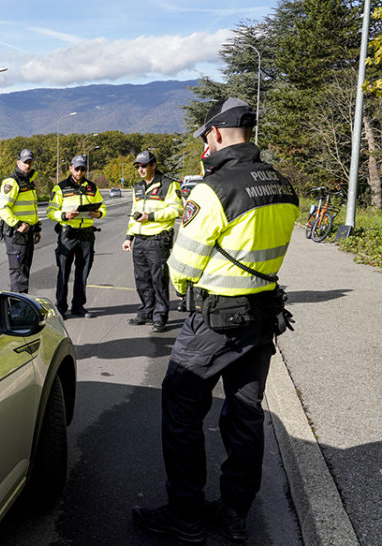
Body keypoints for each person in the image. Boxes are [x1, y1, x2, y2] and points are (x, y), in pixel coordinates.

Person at [132, 98, 298, 543]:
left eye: (206, 137)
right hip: (263, 317)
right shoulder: (282, 184)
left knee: (182, 411)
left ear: (218, 134)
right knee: (244, 417)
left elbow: (182, 267)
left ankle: (185, 515)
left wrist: (189, 289)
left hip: (214, 321)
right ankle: (234, 514)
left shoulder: (213, 188)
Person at [122, 150, 183, 332]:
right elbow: (134, 214)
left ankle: (160, 316)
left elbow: (177, 210)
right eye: (138, 166)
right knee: (142, 279)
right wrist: (129, 237)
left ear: (153, 165)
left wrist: (152, 216)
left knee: (158, 279)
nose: (141, 169)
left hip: (157, 239)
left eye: (144, 166)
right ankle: (146, 312)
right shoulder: (138, 187)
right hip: (140, 239)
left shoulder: (169, 185)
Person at [46, 154, 106, 318]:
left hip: (86, 235)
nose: (80, 171)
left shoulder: (92, 187)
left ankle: (78, 306)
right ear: (71, 168)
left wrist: (98, 213)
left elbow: (103, 207)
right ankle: (61, 307)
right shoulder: (60, 188)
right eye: (77, 168)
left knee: (83, 272)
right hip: (68, 233)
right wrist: (64, 215)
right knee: (64, 272)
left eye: (83, 169)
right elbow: (50, 212)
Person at [0, 148, 42, 293]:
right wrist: (17, 224)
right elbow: (2, 207)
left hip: (28, 232)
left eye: (30, 162)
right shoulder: (12, 182)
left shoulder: (29, 182)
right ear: (18, 162)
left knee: (24, 270)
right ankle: (17, 310)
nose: (28, 165)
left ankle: (23, 305)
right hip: (17, 234)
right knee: (18, 273)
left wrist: (37, 228)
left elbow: (31, 209)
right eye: (25, 162)